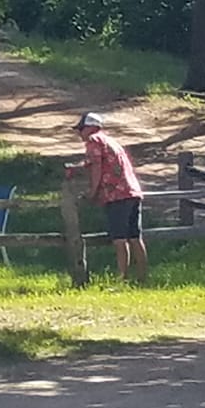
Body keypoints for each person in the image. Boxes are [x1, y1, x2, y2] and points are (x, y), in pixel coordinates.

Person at [67, 112, 148, 283]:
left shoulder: (94, 140)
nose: (79, 134)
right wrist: (77, 168)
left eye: (81, 129)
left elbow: (97, 166)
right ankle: (142, 277)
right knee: (135, 237)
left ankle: (122, 278)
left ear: (90, 127)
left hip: (116, 195)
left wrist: (92, 192)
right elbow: (98, 163)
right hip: (132, 192)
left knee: (119, 239)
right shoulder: (111, 141)